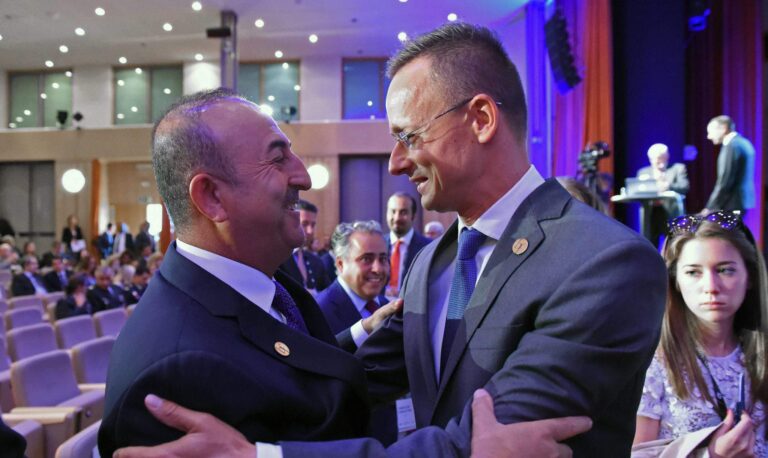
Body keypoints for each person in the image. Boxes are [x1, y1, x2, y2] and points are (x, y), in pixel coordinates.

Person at [115, 23, 661, 457]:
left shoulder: (605, 262)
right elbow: (344, 380)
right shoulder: (435, 263)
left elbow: (498, 437)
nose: (396, 162)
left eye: (408, 135)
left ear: (481, 119)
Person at [634, 211, 767, 456]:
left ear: (749, 276)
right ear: (675, 280)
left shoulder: (761, 352)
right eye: (693, 272)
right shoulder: (653, 361)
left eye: (725, 270)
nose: (711, 287)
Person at [316, 220, 398, 445]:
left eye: (383, 258)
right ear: (340, 264)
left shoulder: (388, 307)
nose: (378, 269)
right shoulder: (317, 312)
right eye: (366, 259)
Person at [635, 143, 689, 246]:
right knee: (649, 244)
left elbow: (684, 187)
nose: (657, 161)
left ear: (667, 156)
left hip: (670, 212)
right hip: (651, 212)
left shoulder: (677, 168)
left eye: (661, 158)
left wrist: (668, 185)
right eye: (654, 158)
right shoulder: (643, 172)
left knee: (673, 244)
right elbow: (637, 190)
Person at [703, 116, 756, 215]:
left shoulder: (732, 146)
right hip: (741, 201)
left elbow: (725, 180)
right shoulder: (744, 142)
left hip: (731, 202)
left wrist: (710, 206)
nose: (709, 136)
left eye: (711, 132)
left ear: (723, 128)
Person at [278, 199, 331, 294]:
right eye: (304, 224)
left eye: (313, 225)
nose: (310, 231)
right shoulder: (277, 260)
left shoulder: (316, 262)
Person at [385, 192, 431, 299]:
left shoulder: (428, 248)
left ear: (413, 216)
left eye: (403, 212)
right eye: (393, 211)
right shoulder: (378, 245)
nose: (397, 218)